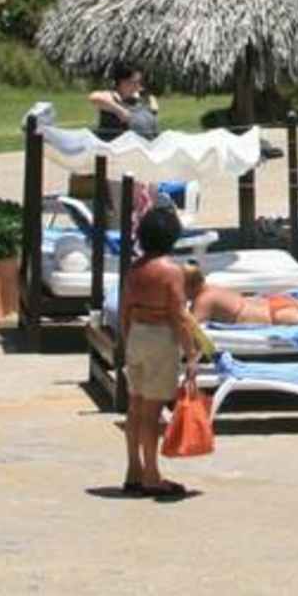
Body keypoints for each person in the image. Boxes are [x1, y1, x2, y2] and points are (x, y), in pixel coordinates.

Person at [117, 206, 201, 498]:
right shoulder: (171, 271)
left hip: (137, 335)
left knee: (135, 407)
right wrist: (191, 353)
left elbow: (125, 311)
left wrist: (127, 341)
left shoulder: (134, 270)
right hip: (160, 338)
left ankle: (134, 470)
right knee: (152, 413)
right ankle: (152, 476)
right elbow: (178, 316)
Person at [89, 62, 158, 141]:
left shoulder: (143, 98)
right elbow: (94, 97)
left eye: (139, 82)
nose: (137, 86)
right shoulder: (112, 96)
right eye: (133, 82)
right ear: (121, 82)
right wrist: (119, 111)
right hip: (118, 146)